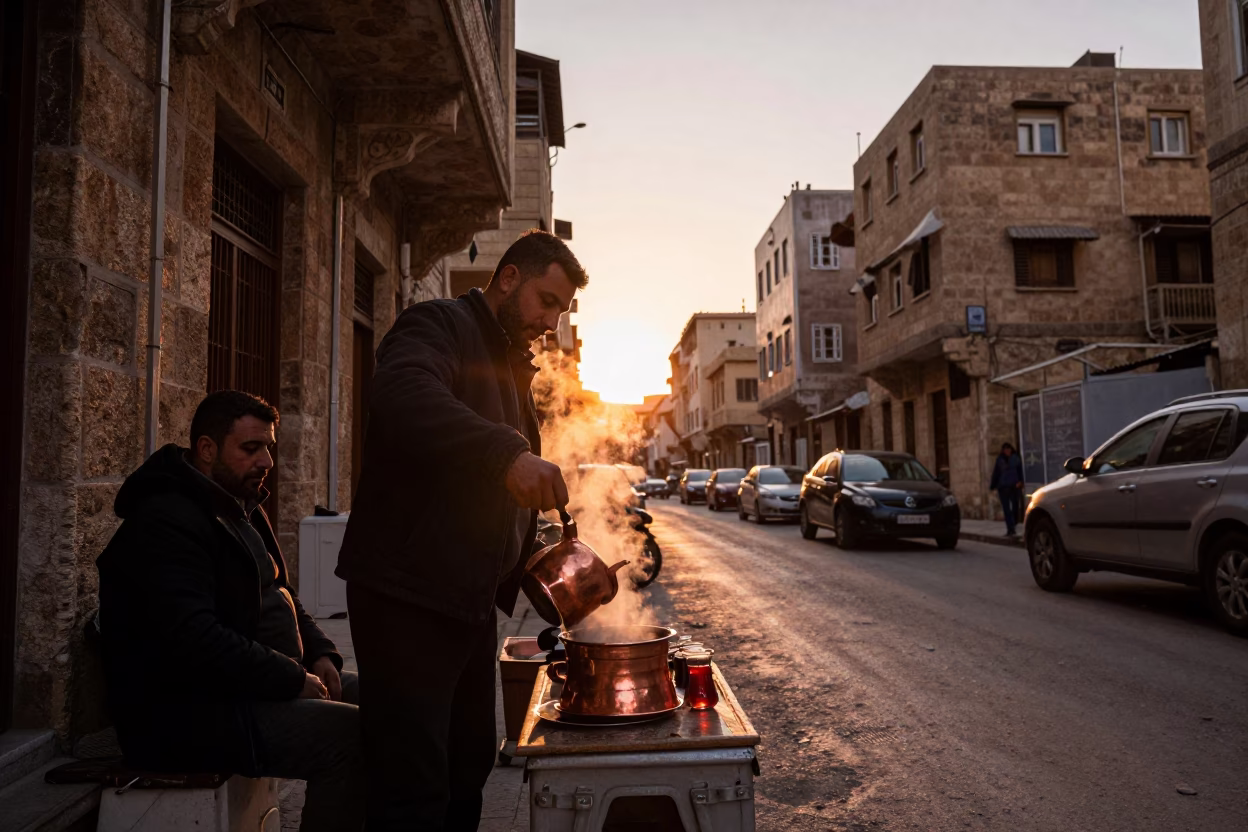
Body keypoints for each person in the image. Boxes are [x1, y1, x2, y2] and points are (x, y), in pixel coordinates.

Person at [335, 229, 586, 830]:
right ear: (508, 279)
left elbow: (484, 493)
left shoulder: (510, 366)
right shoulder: (437, 323)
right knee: (413, 778)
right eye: (546, 302)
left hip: (465, 601)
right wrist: (509, 455)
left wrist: (536, 551)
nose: (551, 323)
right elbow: (402, 393)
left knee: (468, 761)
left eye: (561, 310)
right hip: (406, 595)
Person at [96, 391, 362, 832]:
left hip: (250, 688)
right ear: (206, 449)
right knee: (350, 737)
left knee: (394, 705)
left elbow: (282, 592)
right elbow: (195, 637)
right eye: (250, 448)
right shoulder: (166, 521)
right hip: (190, 714)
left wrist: (319, 653)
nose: (266, 462)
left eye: (268, 448)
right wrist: (291, 677)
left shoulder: (240, 502)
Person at [990, 441, 1025, 537]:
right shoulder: (1000, 460)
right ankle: (1010, 529)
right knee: (1006, 509)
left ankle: (1014, 524)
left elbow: (1020, 471)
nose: (1007, 451)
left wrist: (1021, 482)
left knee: (1015, 507)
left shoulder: (1016, 459)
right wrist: (993, 485)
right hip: (1003, 487)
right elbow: (996, 473)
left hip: (1014, 486)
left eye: (1008, 449)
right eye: (1005, 450)